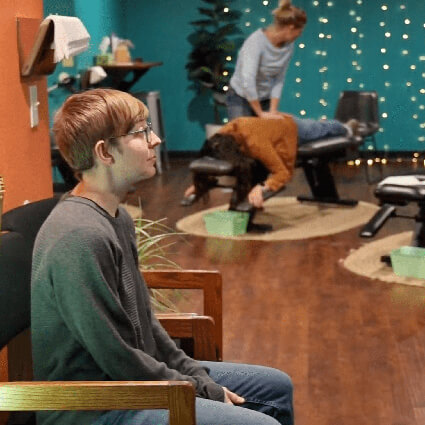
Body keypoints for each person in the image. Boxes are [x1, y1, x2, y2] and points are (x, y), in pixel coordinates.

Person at [31, 88, 294, 425]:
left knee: (276, 388)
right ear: (105, 152)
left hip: (134, 381)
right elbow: (118, 357)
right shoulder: (79, 236)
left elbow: (145, 322)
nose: (155, 140)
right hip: (95, 405)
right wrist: (198, 389)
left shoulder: (117, 218)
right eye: (141, 132)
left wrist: (193, 374)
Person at [182, 115, 359, 208]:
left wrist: (263, 187)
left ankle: (346, 127)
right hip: (269, 125)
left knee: (321, 128)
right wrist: (200, 183)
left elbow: (283, 173)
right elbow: (211, 159)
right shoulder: (220, 136)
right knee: (319, 127)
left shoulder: (257, 145)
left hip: (292, 128)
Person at [226, 0, 307, 121]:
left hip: (264, 98)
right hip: (241, 96)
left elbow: (279, 78)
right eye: (299, 31)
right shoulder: (256, 42)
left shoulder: (289, 47)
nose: (299, 35)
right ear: (290, 28)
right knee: (244, 132)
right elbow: (247, 79)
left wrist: (273, 110)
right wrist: (260, 113)